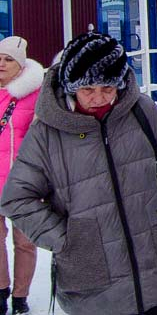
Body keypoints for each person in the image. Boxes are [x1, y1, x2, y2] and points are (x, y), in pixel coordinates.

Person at [0, 33, 157, 315]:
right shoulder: (48, 132)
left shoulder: (141, 111)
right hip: (91, 286)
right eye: (88, 90)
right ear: (71, 87)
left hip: (154, 272)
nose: (99, 98)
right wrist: (67, 239)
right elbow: (16, 198)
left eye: (108, 88)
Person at [0, 38, 44, 315]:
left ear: (21, 65)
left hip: (23, 182)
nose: (1, 64)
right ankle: (1, 291)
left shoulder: (35, 96)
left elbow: (43, 139)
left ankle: (20, 295)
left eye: (8, 60)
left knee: (25, 242)